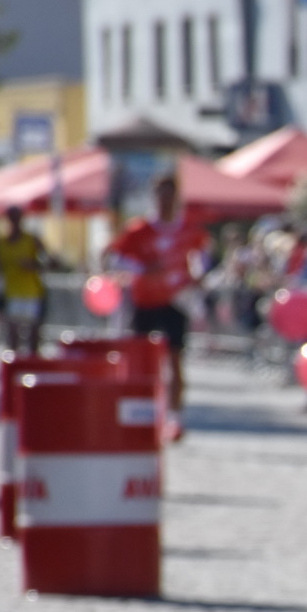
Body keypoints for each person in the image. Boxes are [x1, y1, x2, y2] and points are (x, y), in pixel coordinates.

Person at [107, 173, 209, 439]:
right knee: (139, 360)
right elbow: (115, 259)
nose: (165, 201)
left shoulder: (188, 228)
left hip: (175, 302)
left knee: (175, 360)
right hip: (145, 301)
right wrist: (143, 268)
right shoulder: (140, 230)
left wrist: (197, 275)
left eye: (170, 195)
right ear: (155, 197)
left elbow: (202, 256)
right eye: (161, 195)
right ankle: (138, 415)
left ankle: (174, 419)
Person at [0, 205, 50, 355]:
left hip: (32, 292)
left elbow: (49, 261)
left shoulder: (31, 240)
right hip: (11, 292)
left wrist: (34, 265)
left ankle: (33, 364)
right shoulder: (1, 243)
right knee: (13, 334)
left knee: (33, 334)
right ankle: (15, 368)